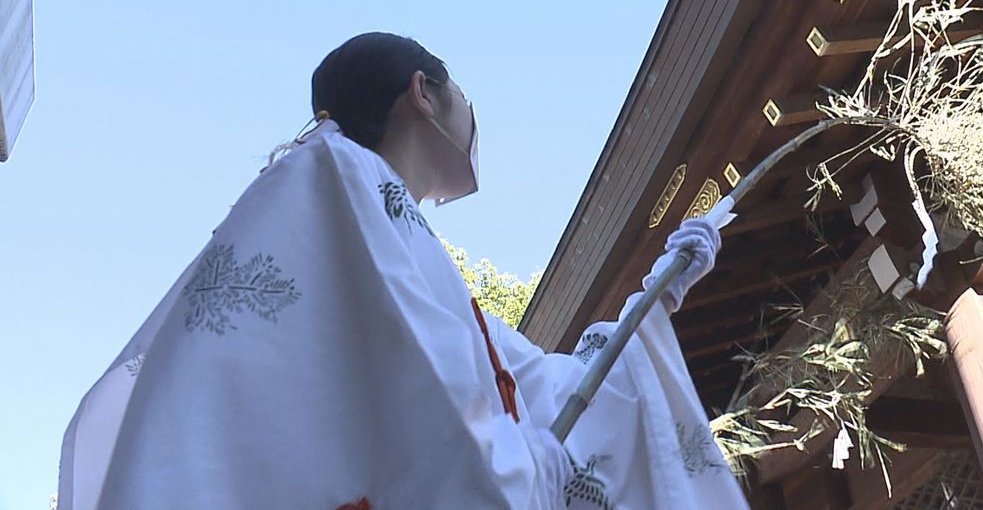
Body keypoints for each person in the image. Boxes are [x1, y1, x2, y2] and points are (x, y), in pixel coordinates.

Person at [58, 33, 750, 509]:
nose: (473, 114)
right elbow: (442, 401)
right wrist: (518, 470)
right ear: (423, 91)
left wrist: (655, 298)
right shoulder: (339, 175)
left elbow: (540, 391)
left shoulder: (396, 234)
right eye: (464, 92)